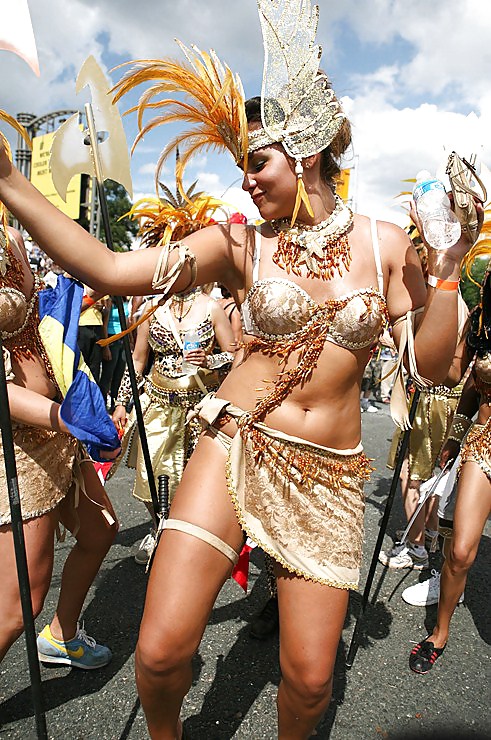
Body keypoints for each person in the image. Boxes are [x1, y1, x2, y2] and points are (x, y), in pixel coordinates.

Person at [0, 5, 480, 735]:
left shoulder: (385, 243)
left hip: (330, 473)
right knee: (159, 656)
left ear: (308, 152)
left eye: (257, 161)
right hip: (235, 444)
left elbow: (438, 364)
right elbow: (105, 265)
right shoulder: (237, 246)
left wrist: (445, 272)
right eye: (240, 167)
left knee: (311, 683)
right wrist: (11, 182)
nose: (246, 181)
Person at [0, 221, 119, 670]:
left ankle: (62, 634)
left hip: (55, 429)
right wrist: (65, 418)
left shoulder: (8, 234)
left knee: (99, 529)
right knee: (17, 607)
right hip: (14, 443)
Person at [409, 217, 491, 674]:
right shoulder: (482, 322)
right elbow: (469, 388)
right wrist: (452, 441)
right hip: (484, 442)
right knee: (460, 551)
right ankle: (440, 631)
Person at [114, 284, 234, 565]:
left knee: (196, 481)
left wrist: (210, 358)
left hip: (199, 410)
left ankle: (188, 537)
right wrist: (122, 402)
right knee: (151, 475)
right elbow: (138, 359)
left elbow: (234, 355)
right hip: (158, 406)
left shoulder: (211, 307)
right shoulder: (154, 310)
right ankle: (159, 528)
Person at [99, 295, 129, 412]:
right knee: (108, 374)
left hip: (123, 339)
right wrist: (106, 346)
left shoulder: (124, 300)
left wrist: (130, 340)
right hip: (111, 338)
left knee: (119, 373)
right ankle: (101, 405)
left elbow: (126, 322)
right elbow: (104, 325)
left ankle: (115, 403)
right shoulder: (110, 301)